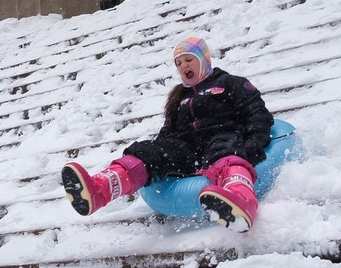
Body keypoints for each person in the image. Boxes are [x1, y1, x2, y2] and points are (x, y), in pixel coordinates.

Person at [61, 36, 274, 231]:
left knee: (226, 151)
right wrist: (154, 154)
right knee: (147, 151)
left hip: (222, 136)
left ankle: (241, 200)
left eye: (188, 59)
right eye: (179, 63)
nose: (183, 66)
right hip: (186, 148)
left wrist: (252, 144)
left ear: (204, 59)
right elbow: (168, 132)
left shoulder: (231, 83)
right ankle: (100, 190)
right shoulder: (179, 97)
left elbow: (256, 113)